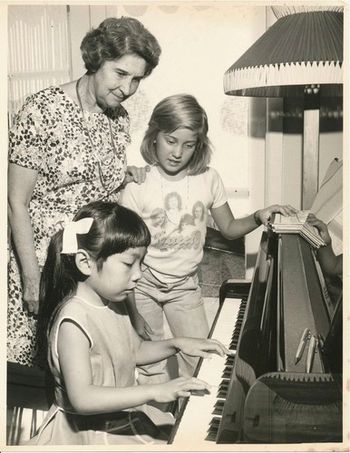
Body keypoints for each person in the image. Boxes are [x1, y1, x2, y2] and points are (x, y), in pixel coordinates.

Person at [8, 16, 161, 366]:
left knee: (85, 362)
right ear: (96, 59)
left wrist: (126, 176)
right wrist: (32, 279)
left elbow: (94, 181)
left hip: (88, 263)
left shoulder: (119, 118)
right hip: (42, 260)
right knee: (40, 370)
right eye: (120, 74)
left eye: (137, 79)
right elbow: (17, 201)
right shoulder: (40, 111)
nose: (127, 88)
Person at [120, 94, 297, 384]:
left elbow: (228, 228)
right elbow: (125, 256)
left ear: (198, 145)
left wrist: (258, 215)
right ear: (154, 137)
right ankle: (158, 425)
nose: (177, 152)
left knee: (202, 360)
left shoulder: (209, 178)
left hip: (185, 286)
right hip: (143, 287)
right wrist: (132, 310)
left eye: (188, 145)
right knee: (152, 370)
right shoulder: (137, 185)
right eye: (170, 140)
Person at [29, 201, 231, 445]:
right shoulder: (73, 322)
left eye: (141, 264)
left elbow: (134, 350)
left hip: (118, 420)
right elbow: (82, 398)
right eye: (128, 264)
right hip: (86, 434)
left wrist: (178, 344)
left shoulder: (114, 300)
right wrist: (155, 391)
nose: (138, 275)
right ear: (86, 263)